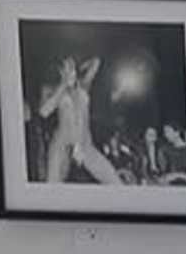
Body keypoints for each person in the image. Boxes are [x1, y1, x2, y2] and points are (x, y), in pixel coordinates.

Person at [34, 53, 125, 186]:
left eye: (72, 67)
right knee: (52, 185)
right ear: (60, 71)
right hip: (62, 145)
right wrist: (63, 85)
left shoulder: (83, 85)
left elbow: (96, 61)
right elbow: (44, 111)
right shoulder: (50, 89)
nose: (71, 71)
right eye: (67, 68)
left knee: (114, 181)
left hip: (85, 145)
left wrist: (82, 65)